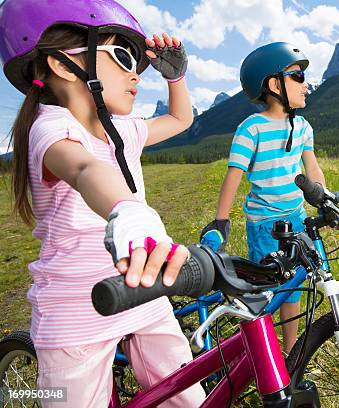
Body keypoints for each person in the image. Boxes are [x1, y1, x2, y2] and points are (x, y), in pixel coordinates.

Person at [0, 0, 206, 406]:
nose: (135, 73)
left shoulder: (124, 130)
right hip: (77, 310)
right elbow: (82, 168)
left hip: (143, 289)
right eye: (122, 56)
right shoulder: (51, 128)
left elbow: (181, 120)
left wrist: (176, 77)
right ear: (63, 64)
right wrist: (128, 209)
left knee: (188, 397)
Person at [200, 42, 326, 354]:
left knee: (295, 285)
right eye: (298, 76)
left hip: (295, 216)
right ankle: (262, 351)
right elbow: (234, 175)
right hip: (265, 223)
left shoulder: (304, 127)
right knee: (269, 287)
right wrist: (221, 221)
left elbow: (312, 167)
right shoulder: (251, 128)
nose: (306, 84)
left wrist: (323, 198)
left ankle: (291, 351)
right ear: (274, 84)